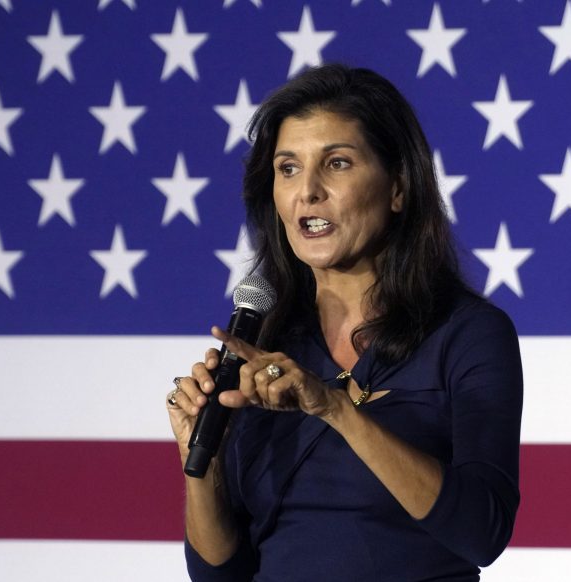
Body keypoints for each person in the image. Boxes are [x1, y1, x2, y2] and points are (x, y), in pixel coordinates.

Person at [166, 64, 523, 582]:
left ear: (398, 187)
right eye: (287, 168)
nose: (307, 191)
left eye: (336, 163)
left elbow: (482, 532)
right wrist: (204, 461)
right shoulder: (265, 343)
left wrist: (334, 408)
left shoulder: (466, 334)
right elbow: (220, 576)